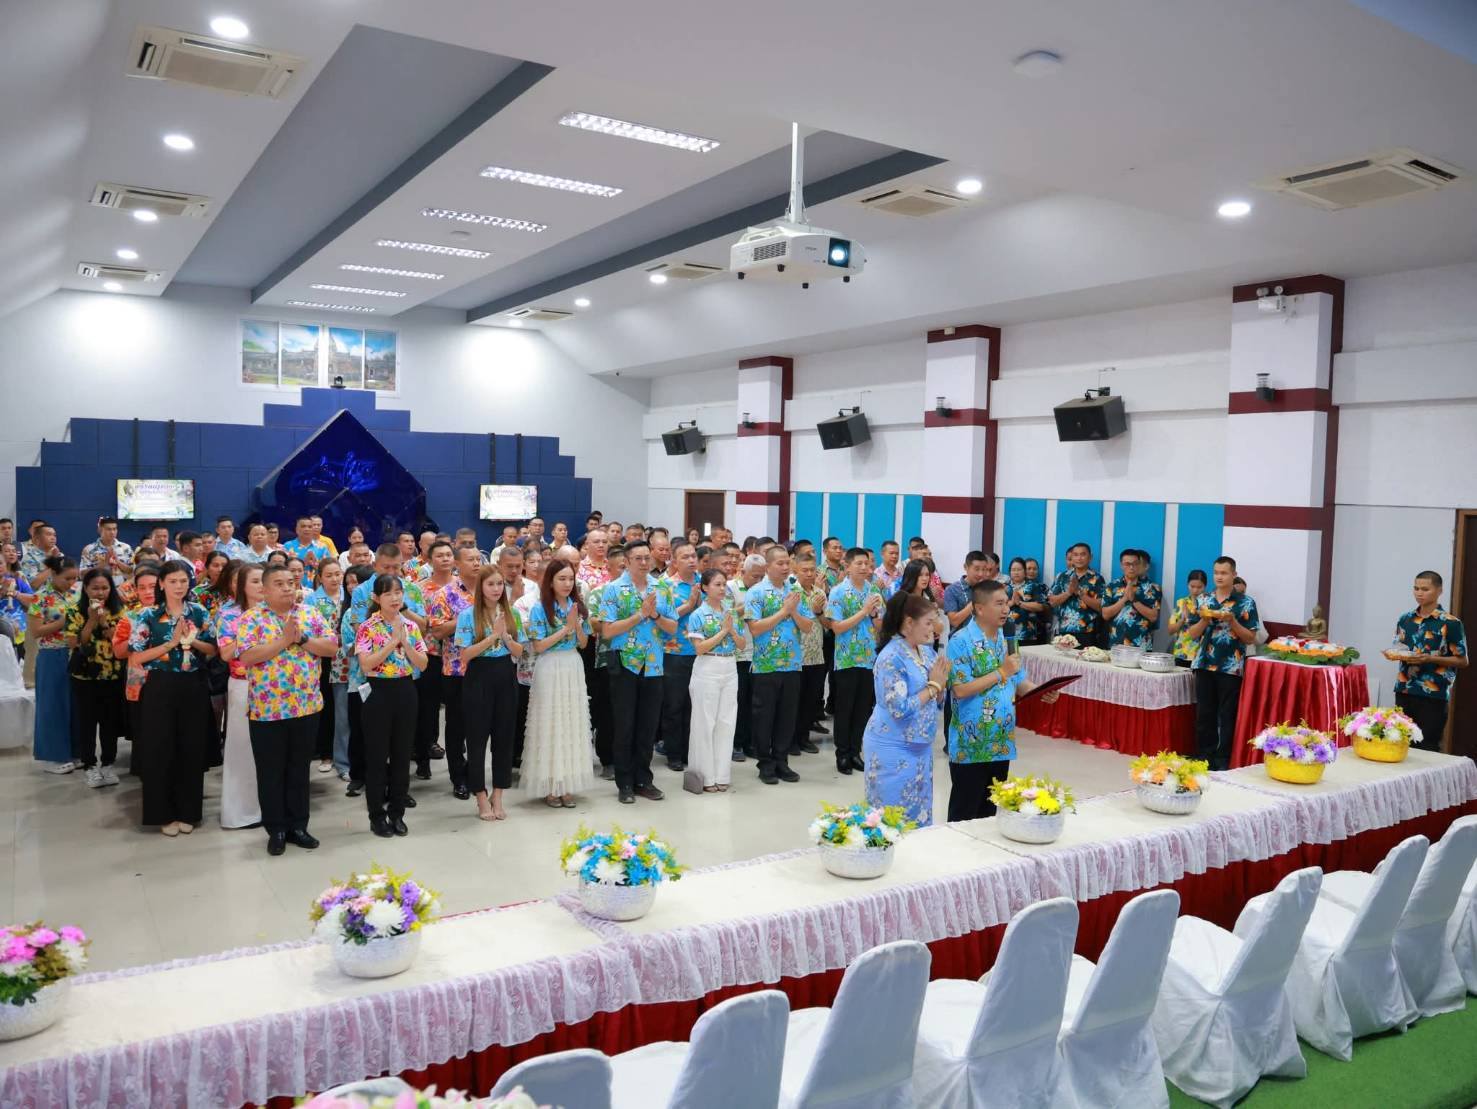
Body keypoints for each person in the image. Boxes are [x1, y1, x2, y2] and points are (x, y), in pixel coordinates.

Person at [234, 565, 336, 855]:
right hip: (268, 710)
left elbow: (331, 648)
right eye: (279, 583)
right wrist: (284, 640)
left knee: (299, 770)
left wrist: (302, 639)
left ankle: (298, 826)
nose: (287, 587)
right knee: (271, 772)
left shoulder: (309, 613)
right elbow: (247, 657)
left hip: (306, 706)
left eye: (291, 582)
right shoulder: (251, 618)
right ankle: (276, 829)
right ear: (264, 590)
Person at [946, 581, 1060, 821]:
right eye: (999, 603)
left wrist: (1040, 691)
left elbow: (1018, 679)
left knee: (989, 812)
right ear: (979, 608)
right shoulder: (960, 641)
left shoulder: (1007, 638)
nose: (1006, 609)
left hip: (1001, 740)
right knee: (964, 814)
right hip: (971, 743)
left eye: (1007, 602)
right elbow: (960, 690)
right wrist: (1001, 672)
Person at [128, 560, 218, 835]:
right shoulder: (147, 615)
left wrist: (191, 640)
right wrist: (170, 643)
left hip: (193, 684)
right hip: (160, 685)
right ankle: (163, 814)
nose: (179, 586)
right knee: (160, 748)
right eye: (173, 581)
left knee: (191, 747)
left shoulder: (198, 611)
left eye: (183, 581)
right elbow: (136, 657)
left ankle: (189, 811)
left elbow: (213, 649)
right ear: (162, 583)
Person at [599, 539, 679, 804]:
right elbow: (607, 630)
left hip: (654, 664)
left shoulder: (662, 588)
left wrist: (654, 615)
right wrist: (640, 615)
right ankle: (624, 783)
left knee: (647, 726)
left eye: (647, 558)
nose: (644, 563)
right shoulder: (613, 589)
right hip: (625, 664)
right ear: (627, 561)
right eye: (638, 559)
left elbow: (672, 628)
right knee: (625, 726)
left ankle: (644, 779)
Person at [863, 593, 950, 826]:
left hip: (920, 746)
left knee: (919, 813)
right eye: (928, 623)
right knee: (892, 819)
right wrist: (933, 686)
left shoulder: (926, 652)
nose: (933, 628)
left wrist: (940, 687)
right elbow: (898, 708)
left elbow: (936, 697)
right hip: (893, 746)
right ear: (909, 622)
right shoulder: (891, 657)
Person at [354, 575, 428, 838]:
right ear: (376, 598)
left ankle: (397, 813)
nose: (395, 598)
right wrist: (391, 642)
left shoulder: (410, 625)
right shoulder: (367, 627)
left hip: (406, 690)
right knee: (376, 757)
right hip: (378, 692)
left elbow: (422, 664)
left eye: (398, 592)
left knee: (402, 755)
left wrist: (404, 641)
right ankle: (377, 815)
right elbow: (366, 665)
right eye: (388, 594)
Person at [457, 565, 527, 821]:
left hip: (506, 677)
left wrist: (505, 637)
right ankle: (480, 795)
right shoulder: (468, 615)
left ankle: (498, 795)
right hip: (478, 679)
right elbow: (465, 655)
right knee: (477, 741)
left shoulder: (512, 613)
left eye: (499, 584)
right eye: (491, 584)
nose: (496, 589)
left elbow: (519, 652)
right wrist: (492, 637)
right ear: (481, 587)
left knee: (503, 740)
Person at [523, 561, 594, 807]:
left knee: (571, 723)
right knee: (550, 724)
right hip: (549, 666)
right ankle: (550, 785)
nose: (567, 584)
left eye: (570, 579)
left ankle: (567, 784)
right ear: (550, 581)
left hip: (572, 665)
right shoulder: (539, 609)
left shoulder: (578, 607)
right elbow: (539, 646)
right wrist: (566, 629)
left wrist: (577, 627)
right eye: (561, 579)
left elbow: (583, 643)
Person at [745, 545, 813, 785]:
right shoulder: (756, 592)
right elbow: (755, 628)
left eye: (787, 563)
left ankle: (781, 761)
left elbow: (808, 626)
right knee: (764, 716)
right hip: (766, 665)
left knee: (787, 716)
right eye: (780, 563)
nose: (785, 567)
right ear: (768, 566)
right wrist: (784, 610)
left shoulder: (795, 591)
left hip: (792, 664)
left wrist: (793, 612)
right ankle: (765, 763)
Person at [1185, 556, 1260, 770]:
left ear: (1234, 574)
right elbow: (1192, 634)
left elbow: (1250, 638)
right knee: (1204, 713)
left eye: (1224, 573)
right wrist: (1204, 620)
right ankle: (1204, 756)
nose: (1219, 577)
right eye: (1216, 572)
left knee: (1227, 715)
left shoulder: (1246, 602)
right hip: (1204, 663)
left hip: (1230, 666)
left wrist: (1232, 621)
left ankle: (1223, 760)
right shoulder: (1203, 599)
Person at [1386, 570, 1468, 749]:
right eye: (1416, 588)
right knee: (1400, 743)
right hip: (1404, 689)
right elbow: (1400, 648)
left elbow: (1462, 661)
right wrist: (1394, 654)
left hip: (1433, 694)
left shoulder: (1451, 623)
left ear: (1439, 591)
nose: (1419, 593)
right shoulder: (1405, 619)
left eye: (1425, 589)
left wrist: (1429, 659)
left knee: (1427, 747)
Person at [826, 547, 885, 776]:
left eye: (866, 564)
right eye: (858, 563)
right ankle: (842, 753)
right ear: (847, 566)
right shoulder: (838, 592)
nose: (863, 568)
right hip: (846, 659)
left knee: (863, 709)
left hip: (868, 659)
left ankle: (855, 751)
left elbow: (880, 625)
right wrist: (864, 611)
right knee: (845, 709)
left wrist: (874, 615)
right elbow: (837, 627)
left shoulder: (874, 591)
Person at [685, 568, 744, 793]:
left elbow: (741, 645)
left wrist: (732, 631)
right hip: (708, 666)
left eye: (724, 584)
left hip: (729, 666)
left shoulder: (731, 612)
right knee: (705, 723)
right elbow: (699, 648)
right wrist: (723, 632)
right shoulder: (698, 615)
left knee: (726, 722)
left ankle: (722, 774)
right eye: (717, 584)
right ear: (705, 587)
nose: (722, 589)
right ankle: (705, 777)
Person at [64, 568, 125, 787]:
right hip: (84, 675)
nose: (100, 593)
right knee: (87, 723)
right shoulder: (74, 610)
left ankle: (108, 764)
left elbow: (120, 640)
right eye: (95, 588)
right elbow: (75, 643)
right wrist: (91, 620)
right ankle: (89, 765)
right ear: (86, 589)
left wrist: (104, 622)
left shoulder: (120, 610)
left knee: (110, 722)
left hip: (113, 674)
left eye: (105, 588)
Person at [426, 544, 479, 797]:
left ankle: (476, 775)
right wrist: (467, 618)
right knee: (457, 726)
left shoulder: (490, 588)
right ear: (458, 564)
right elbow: (437, 631)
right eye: (470, 559)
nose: (476, 563)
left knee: (480, 726)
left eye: (478, 559)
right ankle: (458, 777)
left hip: (487, 667)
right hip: (457, 669)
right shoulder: (445, 594)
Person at [216, 563, 264, 829]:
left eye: (264, 580)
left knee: (271, 750)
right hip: (243, 684)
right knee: (243, 748)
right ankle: (242, 812)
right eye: (255, 581)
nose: (261, 585)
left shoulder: (276, 611)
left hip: (275, 685)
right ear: (242, 585)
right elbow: (225, 653)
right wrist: (250, 631)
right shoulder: (229, 613)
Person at [28, 555, 79, 773]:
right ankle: (52, 757)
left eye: (75, 578)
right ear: (54, 574)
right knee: (52, 705)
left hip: (74, 653)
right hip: (51, 655)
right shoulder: (40, 598)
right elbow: (36, 631)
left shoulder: (76, 594)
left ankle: (74, 751)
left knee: (73, 705)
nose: (72, 583)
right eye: (67, 578)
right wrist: (63, 622)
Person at [656, 540, 702, 772]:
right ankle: (674, 752)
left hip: (701, 651)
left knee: (695, 706)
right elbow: (662, 619)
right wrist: (690, 604)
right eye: (685, 557)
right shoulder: (665, 585)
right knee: (675, 704)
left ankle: (690, 752)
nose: (691, 560)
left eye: (693, 556)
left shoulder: (704, 582)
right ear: (674, 561)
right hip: (674, 651)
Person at [112, 562, 159, 774]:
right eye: (142, 587)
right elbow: (118, 652)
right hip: (138, 677)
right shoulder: (130, 617)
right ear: (136, 591)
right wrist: (138, 638)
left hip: (169, 676)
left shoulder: (175, 613)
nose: (148, 592)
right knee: (142, 726)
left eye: (153, 586)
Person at [584, 543, 626, 780]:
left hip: (638, 657)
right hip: (607, 657)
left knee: (629, 712)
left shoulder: (640, 591)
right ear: (608, 567)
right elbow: (593, 623)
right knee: (607, 712)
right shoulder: (600, 592)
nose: (625, 571)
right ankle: (608, 759)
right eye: (621, 567)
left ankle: (627, 757)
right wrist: (623, 621)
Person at [309, 559, 349, 778]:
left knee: (345, 713)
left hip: (347, 661)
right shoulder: (312, 600)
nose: (335, 579)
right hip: (323, 660)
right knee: (328, 711)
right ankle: (328, 755)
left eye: (337, 574)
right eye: (329, 575)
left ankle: (345, 757)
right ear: (320, 578)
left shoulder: (349, 595)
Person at [339, 563, 375, 797]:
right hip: (358, 681)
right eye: (349, 583)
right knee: (358, 730)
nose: (353, 587)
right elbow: (350, 649)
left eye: (358, 582)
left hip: (385, 679)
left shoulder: (387, 612)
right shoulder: (349, 616)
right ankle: (358, 776)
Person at [790, 554, 828, 755]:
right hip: (795, 656)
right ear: (795, 571)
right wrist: (809, 611)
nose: (809, 574)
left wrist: (819, 612)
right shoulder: (791, 592)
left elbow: (828, 624)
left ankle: (804, 738)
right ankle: (791, 741)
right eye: (804, 570)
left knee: (810, 700)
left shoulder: (820, 593)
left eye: (812, 570)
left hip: (816, 655)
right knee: (793, 702)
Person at [1102, 548, 1163, 649]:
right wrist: (1124, 599)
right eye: (1127, 564)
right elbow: (1105, 615)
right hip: (1117, 644)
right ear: (1121, 565)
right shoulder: (1112, 586)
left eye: (1135, 564)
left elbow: (1153, 616)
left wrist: (1134, 600)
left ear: (1139, 565)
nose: (1131, 567)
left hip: (1142, 646)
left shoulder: (1152, 588)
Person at [1047, 543, 1105, 644]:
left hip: (1087, 632)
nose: (1079, 558)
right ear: (1072, 557)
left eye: (1083, 554)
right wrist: (1068, 592)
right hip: (1063, 631)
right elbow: (1052, 602)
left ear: (1090, 557)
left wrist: (1080, 593)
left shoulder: (1097, 578)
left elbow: (1101, 607)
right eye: (1076, 555)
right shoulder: (1062, 577)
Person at [79, 516, 133, 587]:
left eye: (114, 529)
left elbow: (132, 571)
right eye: (108, 529)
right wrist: (103, 564)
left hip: (122, 589)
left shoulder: (126, 548)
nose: (112, 532)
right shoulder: (89, 549)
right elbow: (82, 575)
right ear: (100, 530)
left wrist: (118, 562)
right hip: (98, 588)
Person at [1168, 569, 1208, 666]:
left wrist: (1191, 618)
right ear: (1187, 585)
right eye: (1192, 586)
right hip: (1181, 653)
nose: (1195, 590)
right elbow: (1170, 630)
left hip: (1202, 654)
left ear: (1205, 586)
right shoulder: (1181, 602)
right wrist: (1182, 620)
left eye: (1199, 587)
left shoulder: (1209, 603)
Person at [283, 516, 330, 587]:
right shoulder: (287, 546)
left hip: (317, 587)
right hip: (293, 587)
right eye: (303, 526)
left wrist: (315, 564)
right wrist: (304, 563)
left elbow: (328, 570)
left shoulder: (322, 547)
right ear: (297, 530)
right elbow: (282, 569)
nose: (306, 529)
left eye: (310, 527)